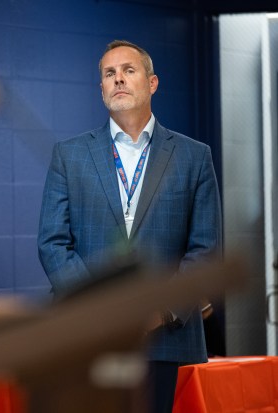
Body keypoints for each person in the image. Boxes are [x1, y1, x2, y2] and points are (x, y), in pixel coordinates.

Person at [37, 39, 222, 413]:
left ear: (152, 83)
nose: (118, 79)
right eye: (110, 73)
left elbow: (204, 250)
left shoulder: (194, 156)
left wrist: (156, 311)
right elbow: (53, 243)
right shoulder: (69, 155)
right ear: (101, 88)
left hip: (165, 337)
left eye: (128, 70)